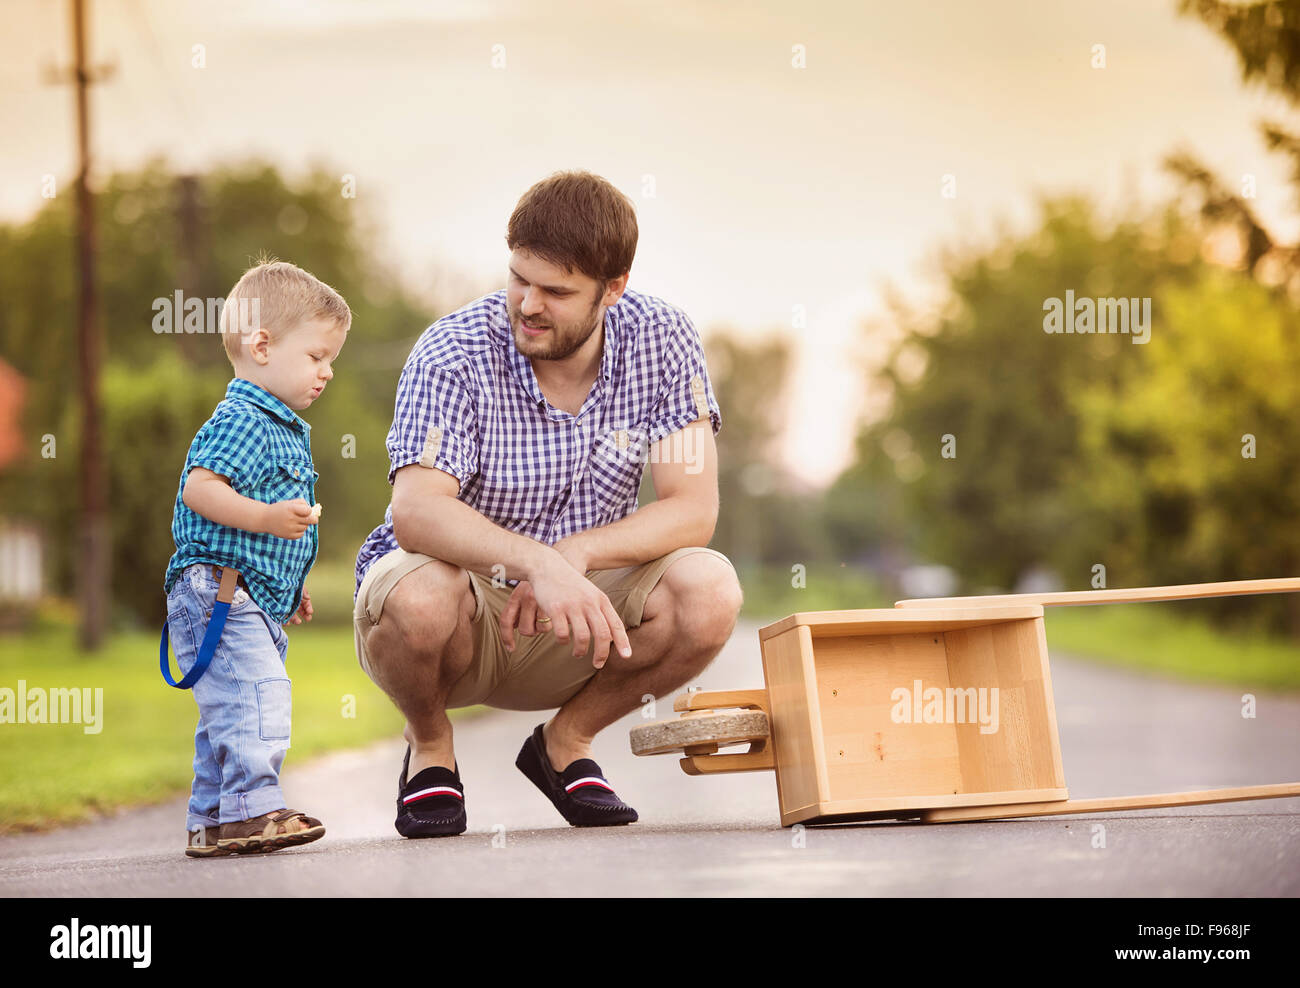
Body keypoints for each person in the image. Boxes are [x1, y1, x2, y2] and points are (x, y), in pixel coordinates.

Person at [353, 171, 744, 837]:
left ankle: (565, 744)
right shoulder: (452, 351)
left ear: (612, 289)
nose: (528, 304)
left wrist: (576, 555)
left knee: (710, 589)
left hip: (582, 613)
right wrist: (535, 563)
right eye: (518, 278)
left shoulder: (664, 340)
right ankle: (431, 751)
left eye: (555, 291)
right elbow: (417, 512)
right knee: (415, 597)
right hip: (464, 611)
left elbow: (691, 509)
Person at [162, 259, 349, 856]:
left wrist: (286, 587)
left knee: (231, 706)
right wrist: (267, 517)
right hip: (217, 590)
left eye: (331, 360)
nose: (327, 371)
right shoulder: (245, 417)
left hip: (244, 590)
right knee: (257, 695)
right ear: (262, 345)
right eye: (317, 356)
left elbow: (263, 533)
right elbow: (200, 487)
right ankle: (254, 808)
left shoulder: (282, 425)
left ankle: (212, 819)